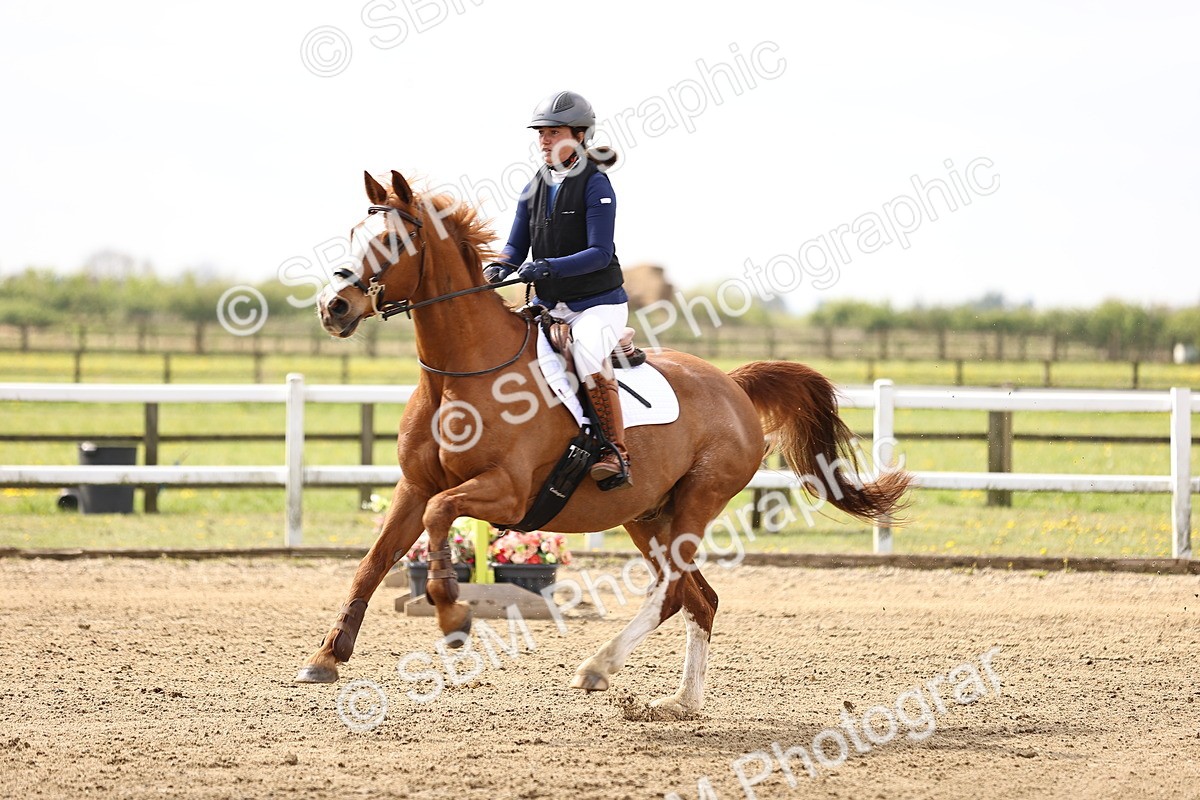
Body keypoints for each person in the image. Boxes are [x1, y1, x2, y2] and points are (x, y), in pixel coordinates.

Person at [484, 90, 631, 489]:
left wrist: (548, 267)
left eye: (554, 132)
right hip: (550, 306)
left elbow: (600, 253)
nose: (544, 140)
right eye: (541, 133)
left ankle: (615, 451)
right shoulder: (534, 185)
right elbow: (515, 246)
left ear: (580, 135)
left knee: (586, 350)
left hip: (596, 305)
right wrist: (498, 267)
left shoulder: (595, 184)